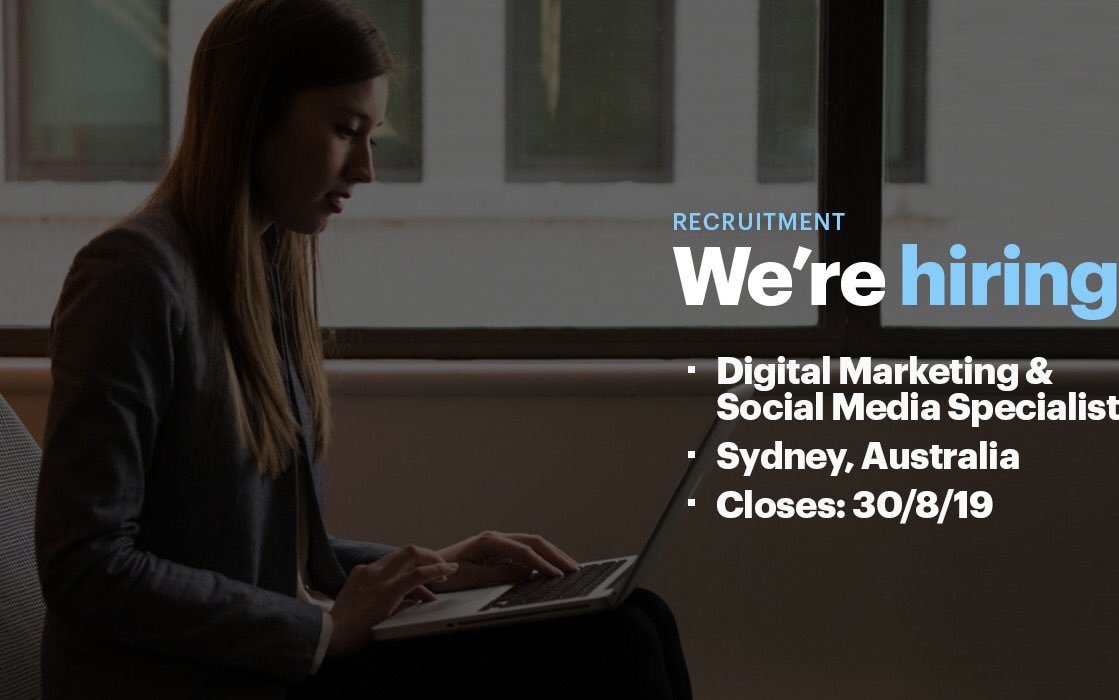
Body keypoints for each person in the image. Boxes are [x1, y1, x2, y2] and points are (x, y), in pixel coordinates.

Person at [34, 1, 691, 698]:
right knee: (615, 644)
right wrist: (322, 631)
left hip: (264, 656)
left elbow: (269, 560)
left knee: (638, 615)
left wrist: (434, 570)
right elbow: (86, 565)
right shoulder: (131, 276)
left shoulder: (265, 269)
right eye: (345, 130)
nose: (367, 169)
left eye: (372, 135)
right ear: (252, 115)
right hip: (192, 678)